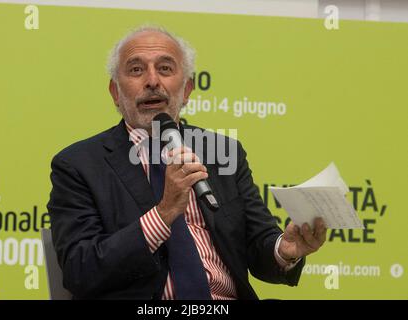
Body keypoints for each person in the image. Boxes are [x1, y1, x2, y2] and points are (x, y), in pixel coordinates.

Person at [47, 25, 327, 300]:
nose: (152, 81)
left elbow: (258, 243)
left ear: (187, 89)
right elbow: (80, 270)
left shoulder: (222, 152)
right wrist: (164, 213)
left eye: (166, 69)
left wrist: (284, 249)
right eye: (136, 69)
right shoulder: (78, 165)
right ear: (115, 92)